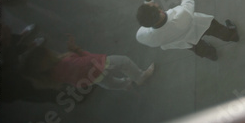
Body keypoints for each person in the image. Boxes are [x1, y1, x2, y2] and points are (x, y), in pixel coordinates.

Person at [135, 0, 239, 61]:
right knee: (216, 29)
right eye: (154, 5)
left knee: (199, 48)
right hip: (200, 25)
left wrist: (148, 0)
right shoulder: (181, 17)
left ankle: (212, 55)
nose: (155, 3)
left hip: (185, 42)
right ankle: (232, 36)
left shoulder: (142, 36)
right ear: (161, 12)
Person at [21, 36, 153, 91]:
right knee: (124, 62)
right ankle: (139, 77)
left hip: (90, 79)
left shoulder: (51, 75)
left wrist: (73, 51)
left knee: (110, 82)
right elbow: (86, 61)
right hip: (99, 66)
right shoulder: (64, 61)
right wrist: (76, 50)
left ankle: (127, 84)